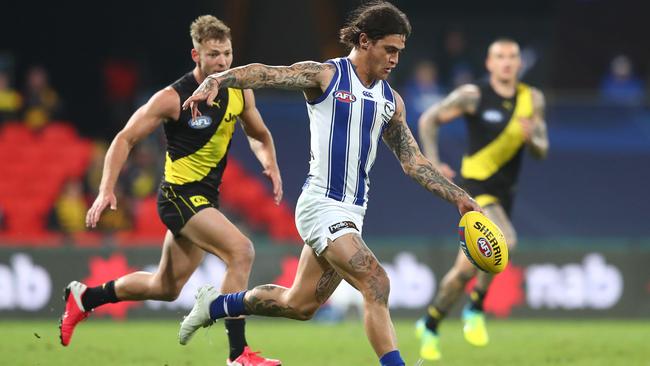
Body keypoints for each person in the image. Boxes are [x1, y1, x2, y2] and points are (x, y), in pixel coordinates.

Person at [178, 3, 481, 366]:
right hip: (321, 204)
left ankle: (213, 305)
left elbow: (413, 162)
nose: (396, 59)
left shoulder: (390, 101)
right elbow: (267, 74)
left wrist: (459, 198)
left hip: (353, 212)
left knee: (300, 305)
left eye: (400, 52)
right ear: (365, 41)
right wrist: (218, 79)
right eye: (390, 49)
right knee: (376, 283)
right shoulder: (326, 76)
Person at [59, 15, 282, 366]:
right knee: (242, 251)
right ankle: (239, 354)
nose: (222, 62)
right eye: (213, 55)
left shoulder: (239, 89)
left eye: (226, 53)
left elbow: (259, 134)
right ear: (196, 56)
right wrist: (105, 190)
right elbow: (125, 138)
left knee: (164, 288)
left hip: (204, 199)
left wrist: (269, 162)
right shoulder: (171, 97)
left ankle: (84, 298)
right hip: (178, 197)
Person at [416, 38, 549, 361]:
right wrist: (432, 161)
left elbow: (542, 149)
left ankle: (430, 323)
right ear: (489, 64)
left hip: (504, 195)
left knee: (463, 272)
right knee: (505, 240)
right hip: (474, 189)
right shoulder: (473, 95)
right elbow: (427, 119)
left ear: (519, 63)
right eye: (500, 57)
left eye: (512, 57)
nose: (506, 62)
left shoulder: (532, 99)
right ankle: (476, 308)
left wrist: (534, 140)